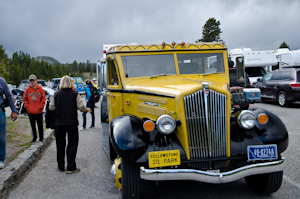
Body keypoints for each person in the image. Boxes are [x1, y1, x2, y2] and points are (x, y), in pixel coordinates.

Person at [49, 75, 91, 174]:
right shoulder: (75, 94)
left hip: (59, 123)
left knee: (60, 144)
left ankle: (60, 166)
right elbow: (81, 107)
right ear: (71, 83)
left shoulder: (55, 94)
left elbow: (51, 108)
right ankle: (71, 167)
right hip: (71, 123)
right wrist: (87, 109)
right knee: (72, 144)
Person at [0, 77, 18, 169]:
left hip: (0, 112)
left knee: (1, 137)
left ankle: (1, 159)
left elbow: (9, 96)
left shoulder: (2, 81)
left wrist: (14, 110)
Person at [23, 74, 46, 143]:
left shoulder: (41, 89)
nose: (32, 82)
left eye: (33, 80)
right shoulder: (27, 90)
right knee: (33, 125)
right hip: (31, 111)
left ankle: (41, 138)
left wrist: (41, 107)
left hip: (39, 111)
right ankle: (34, 137)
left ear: (36, 80)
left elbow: (43, 99)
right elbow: (24, 99)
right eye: (31, 81)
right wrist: (27, 107)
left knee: (40, 125)